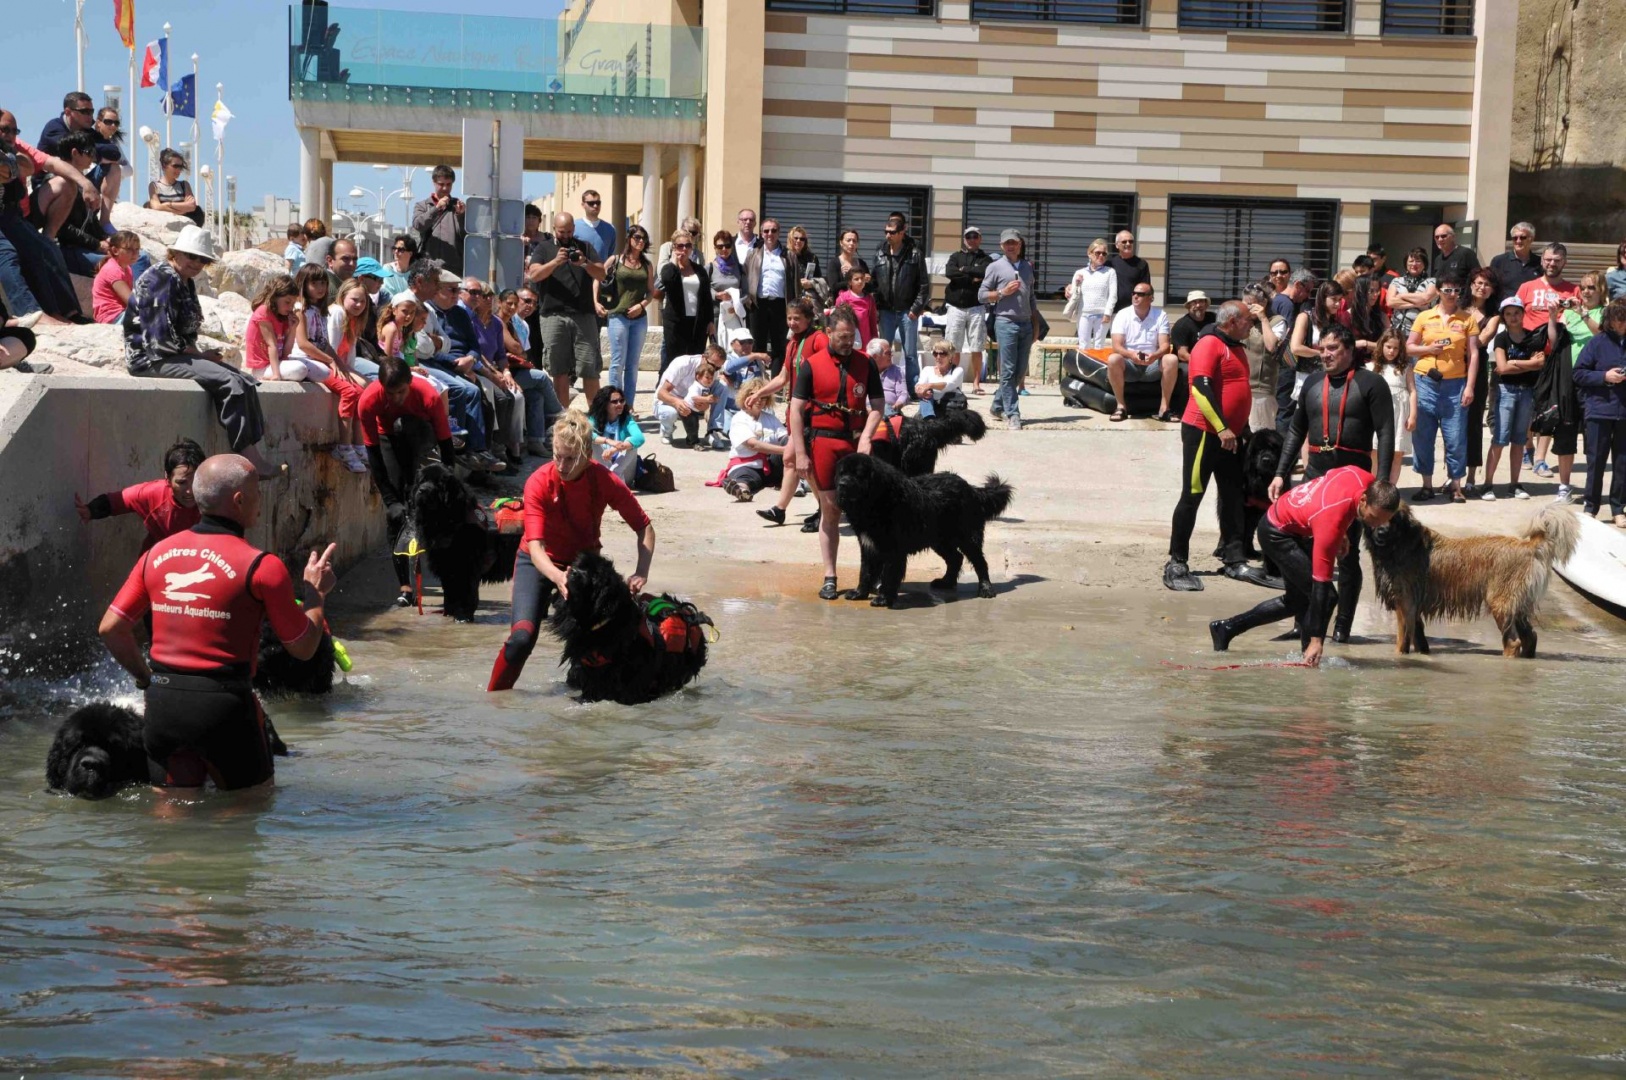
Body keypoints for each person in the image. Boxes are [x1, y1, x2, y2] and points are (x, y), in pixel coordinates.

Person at [98, 454, 338, 790]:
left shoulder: (155, 555)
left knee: (170, 817)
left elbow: (111, 629)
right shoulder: (262, 566)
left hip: (163, 706)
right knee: (247, 814)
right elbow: (303, 648)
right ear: (239, 500)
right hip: (224, 706)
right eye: (257, 490)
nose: (261, 498)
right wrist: (315, 594)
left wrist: (145, 679)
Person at [486, 412, 655, 693]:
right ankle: (495, 702)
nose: (562, 466)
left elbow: (645, 527)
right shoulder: (538, 482)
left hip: (584, 568)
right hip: (538, 562)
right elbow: (537, 548)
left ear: (588, 455)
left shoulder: (604, 480)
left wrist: (642, 571)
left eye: (570, 458)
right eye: (557, 456)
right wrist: (557, 577)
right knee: (521, 640)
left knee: (602, 643)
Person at [124, 226, 280, 479]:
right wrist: (201, 357)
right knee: (230, 383)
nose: (196, 263)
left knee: (246, 380)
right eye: (191, 256)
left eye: (202, 259)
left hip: (173, 355)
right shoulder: (160, 279)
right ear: (175, 253)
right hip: (150, 359)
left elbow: (185, 332)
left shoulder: (183, 281)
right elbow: (160, 338)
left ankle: (255, 451)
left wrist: (200, 354)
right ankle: (248, 458)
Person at [1208, 469, 1400, 666]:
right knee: (1326, 597)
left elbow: (1332, 476)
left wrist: (1341, 529)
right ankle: (1309, 657)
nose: (1377, 526)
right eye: (1374, 518)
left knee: (1296, 601)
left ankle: (1226, 628)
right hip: (1277, 533)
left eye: (1384, 520)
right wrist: (1317, 640)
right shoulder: (1330, 524)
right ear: (1364, 500)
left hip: (1298, 522)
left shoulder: (1364, 479)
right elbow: (1321, 585)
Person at [1276, 324, 1395, 640]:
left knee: (1348, 552)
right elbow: (1295, 431)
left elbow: (1385, 433)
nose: (1325, 354)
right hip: (1316, 477)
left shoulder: (1372, 384)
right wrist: (1280, 472)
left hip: (1354, 481)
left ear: (1350, 350)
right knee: (1306, 548)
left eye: (1332, 349)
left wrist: (1380, 485)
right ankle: (1304, 622)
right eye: (1322, 348)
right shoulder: (1314, 382)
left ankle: (1342, 628)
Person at [1164, 301, 1262, 592]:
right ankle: (1177, 560)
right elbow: (1200, 390)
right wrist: (1221, 427)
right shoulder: (1209, 344)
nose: (1251, 325)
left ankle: (1234, 558)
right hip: (1204, 432)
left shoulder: (1237, 347)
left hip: (1231, 435)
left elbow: (1237, 391)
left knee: (1233, 496)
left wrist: (1241, 428)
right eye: (1248, 320)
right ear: (1231, 321)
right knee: (1192, 493)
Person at [789, 305, 883, 600]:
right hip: (824, 443)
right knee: (830, 509)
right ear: (827, 332)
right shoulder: (811, 365)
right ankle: (830, 575)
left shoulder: (866, 363)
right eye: (842, 336)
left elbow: (878, 405)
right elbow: (794, 411)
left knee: (866, 513)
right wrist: (801, 454)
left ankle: (872, 576)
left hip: (855, 444)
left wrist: (867, 436)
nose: (847, 342)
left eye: (851, 336)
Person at [358, 355, 459, 607]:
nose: (396, 399)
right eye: (390, 394)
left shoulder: (428, 395)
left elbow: (446, 446)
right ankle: (405, 587)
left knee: (404, 425)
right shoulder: (368, 402)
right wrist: (390, 499)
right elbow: (374, 455)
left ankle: (447, 576)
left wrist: (450, 488)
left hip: (421, 434)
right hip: (387, 437)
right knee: (396, 513)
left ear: (410, 382)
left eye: (401, 392)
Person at [1406, 274, 1481, 503]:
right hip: (1425, 381)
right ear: (1437, 291)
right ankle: (1427, 485)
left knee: (1456, 436)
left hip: (1455, 384)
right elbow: (1409, 347)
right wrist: (1428, 348)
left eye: (1456, 290)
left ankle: (1455, 485)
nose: (1452, 295)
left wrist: (1470, 386)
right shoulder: (1424, 316)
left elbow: (1474, 354)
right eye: (1447, 290)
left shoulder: (1467, 319)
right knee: (1423, 436)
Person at [1480, 295, 1557, 501]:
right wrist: (1526, 364)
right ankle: (1488, 483)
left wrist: (1515, 363)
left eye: (1516, 313)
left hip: (1527, 392)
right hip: (1505, 391)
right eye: (1508, 314)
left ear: (1523, 314)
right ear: (1503, 317)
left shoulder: (1533, 336)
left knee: (1519, 440)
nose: (1513, 317)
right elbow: (1502, 368)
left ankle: (1514, 484)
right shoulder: (1501, 338)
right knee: (1500, 439)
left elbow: (1540, 363)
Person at [1518, 242, 1581, 495]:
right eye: (1548, 259)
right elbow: (1514, 317)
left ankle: (1541, 457)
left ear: (1564, 262)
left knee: (1550, 408)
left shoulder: (1572, 289)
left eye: (1557, 260)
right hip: (1531, 355)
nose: (1552, 263)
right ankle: (1527, 448)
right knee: (1527, 407)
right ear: (1541, 261)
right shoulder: (1527, 287)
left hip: (1558, 358)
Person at [526, 212, 606, 409]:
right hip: (553, 315)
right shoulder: (544, 248)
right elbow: (534, 275)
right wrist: (555, 262)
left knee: (589, 367)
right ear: (554, 229)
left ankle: (596, 418)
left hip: (583, 315)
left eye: (569, 231)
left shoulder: (584, 247)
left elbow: (602, 274)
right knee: (558, 369)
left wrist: (585, 263)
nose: (566, 235)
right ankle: (563, 416)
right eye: (562, 232)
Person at [75, 438, 205, 551]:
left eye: (196, 482)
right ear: (168, 478)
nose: (190, 491)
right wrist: (90, 511)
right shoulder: (154, 494)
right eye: (182, 483)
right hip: (154, 562)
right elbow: (118, 500)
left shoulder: (214, 498)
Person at [460, 277, 527, 470]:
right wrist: (494, 373)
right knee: (501, 397)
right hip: (479, 369)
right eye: (482, 295)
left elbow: (501, 354)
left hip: (494, 370)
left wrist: (506, 373)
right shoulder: (470, 320)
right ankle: (496, 447)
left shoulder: (496, 324)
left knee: (518, 396)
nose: (486, 299)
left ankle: (513, 444)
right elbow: (477, 353)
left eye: (490, 295)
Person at [1572, 298, 1626, 526]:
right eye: (1619, 319)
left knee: (1623, 463)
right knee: (1596, 462)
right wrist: (1605, 376)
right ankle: (1591, 507)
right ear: (1610, 320)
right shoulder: (1597, 343)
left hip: (1624, 412)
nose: (1623, 323)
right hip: (1599, 411)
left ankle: (1618, 509)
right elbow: (1578, 374)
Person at [981, 228, 1039, 431]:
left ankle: (997, 406)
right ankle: (1013, 413)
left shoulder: (1027, 267)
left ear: (1019, 244)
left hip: (1026, 323)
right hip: (1005, 322)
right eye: (1006, 243)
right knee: (1007, 371)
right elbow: (981, 295)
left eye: (1013, 242)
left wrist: (1036, 323)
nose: (1010, 246)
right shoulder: (995, 267)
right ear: (1001, 246)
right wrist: (1001, 292)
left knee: (1020, 371)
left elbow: (1031, 297)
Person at [599, 224, 655, 410]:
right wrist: (595, 302)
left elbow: (650, 292)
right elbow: (597, 277)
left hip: (639, 318)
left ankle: (628, 405)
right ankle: (615, 404)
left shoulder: (647, 265)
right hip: (617, 315)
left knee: (632, 364)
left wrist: (641, 306)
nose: (640, 241)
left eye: (643, 238)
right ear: (629, 239)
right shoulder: (616, 260)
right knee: (617, 362)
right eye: (637, 237)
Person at [872, 212, 930, 392]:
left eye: (892, 232)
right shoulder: (880, 252)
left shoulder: (915, 254)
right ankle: (880, 387)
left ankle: (913, 389)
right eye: (886, 232)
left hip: (907, 311)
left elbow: (924, 284)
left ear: (902, 232)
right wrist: (876, 307)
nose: (888, 235)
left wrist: (915, 309)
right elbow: (874, 282)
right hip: (886, 311)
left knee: (910, 353)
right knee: (882, 351)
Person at [1104, 280, 1173, 423]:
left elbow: (1165, 346)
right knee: (1113, 358)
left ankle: (1164, 408)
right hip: (1130, 364)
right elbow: (1116, 346)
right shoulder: (1122, 315)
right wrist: (1131, 355)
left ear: (1151, 298)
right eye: (1134, 293)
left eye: (1140, 294)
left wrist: (1154, 356)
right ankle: (1121, 406)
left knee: (1171, 359)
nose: (1135, 296)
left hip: (1152, 364)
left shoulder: (1160, 315)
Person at [725, 376, 795, 507]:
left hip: (771, 464)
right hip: (747, 464)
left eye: (764, 397)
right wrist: (785, 450)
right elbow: (752, 444)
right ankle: (741, 490)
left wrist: (792, 445)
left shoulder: (770, 418)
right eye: (754, 395)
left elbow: (785, 437)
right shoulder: (739, 418)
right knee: (746, 478)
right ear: (745, 396)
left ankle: (797, 483)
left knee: (789, 442)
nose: (759, 400)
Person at [656, 229, 715, 369]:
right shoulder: (669, 268)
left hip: (697, 322)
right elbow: (667, 281)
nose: (684, 249)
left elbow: (706, 297)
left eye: (687, 245)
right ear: (673, 247)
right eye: (680, 246)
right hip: (676, 323)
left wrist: (711, 321)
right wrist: (675, 262)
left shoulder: (699, 270)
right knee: (674, 362)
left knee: (695, 361)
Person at [743, 217, 796, 371]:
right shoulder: (753, 253)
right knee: (757, 344)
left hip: (780, 304)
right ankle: (757, 381)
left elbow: (794, 283)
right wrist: (747, 299)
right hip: (758, 304)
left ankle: (776, 383)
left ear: (779, 233)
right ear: (761, 233)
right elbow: (745, 278)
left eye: (773, 230)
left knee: (779, 344)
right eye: (766, 231)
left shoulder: (789, 255)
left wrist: (794, 306)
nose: (770, 234)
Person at [944, 226, 993, 393]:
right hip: (955, 307)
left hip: (976, 307)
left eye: (975, 236)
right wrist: (972, 277)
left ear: (980, 238)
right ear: (964, 239)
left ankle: (976, 383)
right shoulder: (955, 256)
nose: (972, 239)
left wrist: (964, 270)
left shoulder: (986, 258)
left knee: (977, 347)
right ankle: (954, 383)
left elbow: (986, 272)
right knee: (953, 347)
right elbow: (949, 272)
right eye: (968, 237)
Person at [656, 344, 730, 448]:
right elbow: (661, 393)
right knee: (670, 413)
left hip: (692, 403)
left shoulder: (713, 371)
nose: (714, 370)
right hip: (669, 401)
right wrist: (677, 402)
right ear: (704, 357)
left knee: (722, 387)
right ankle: (666, 429)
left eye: (718, 368)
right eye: (713, 365)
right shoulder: (683, 363)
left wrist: (705, 406)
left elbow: (706, 395)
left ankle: (713, 431)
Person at [1271, 266, 1315, 434]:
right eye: (1308, 290)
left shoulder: (1278, 301)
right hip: (1286, 364)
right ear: (1297, 285)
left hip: (1280, 365)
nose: (1308, 296)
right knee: (1286, 410)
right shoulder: (1287, 305)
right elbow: (1287, 339)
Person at [1241, 281, 1288, 433]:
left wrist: (1263, 319)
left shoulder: (1277, 321)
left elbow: (1271, 346)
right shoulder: (1243, 320)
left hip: (1261, 390)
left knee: (1260, 435)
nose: (1247, 308)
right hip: (1239, 386)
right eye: (1244, 303)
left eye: (1251, 304)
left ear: (1263, 303)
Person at [1372, 330, 1412, 484]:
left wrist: (1413, 414)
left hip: (1400, 414)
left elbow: (1413, 391)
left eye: (1396, 348)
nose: (1391, 351)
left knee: (1397, 452)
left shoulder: (1405, 368)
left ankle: (1391, 487)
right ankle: (1375, 485)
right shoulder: (1373, 367)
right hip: (1378, 415)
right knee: (1375, 450)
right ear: (1381, 345)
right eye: (1388, 347)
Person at [412, 164, 466, 275]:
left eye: (449, 184)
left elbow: (466, 235)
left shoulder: (458, 206)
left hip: (453, 269)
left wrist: (461, 216)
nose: (445, 188)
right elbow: (418, 225)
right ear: (434, 183)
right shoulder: (422, 206)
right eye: (441, 184)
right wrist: (436, 209)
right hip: (429, 268)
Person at [1065, 237, 1117, 350]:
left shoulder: (1110, 272)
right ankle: (1084, 368)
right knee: (1084, 345)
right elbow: (1074, 295)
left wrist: (1108, 313)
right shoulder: (1080, 273)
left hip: (1102, 314)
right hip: (1083, 313)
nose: (1101, 256)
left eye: (1104, 253)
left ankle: (1097, 368)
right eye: (1098, 253)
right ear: (1089, 254)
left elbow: (1113, 295)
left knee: (1099, 346)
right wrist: (1070, 290)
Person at [587, 384, 644, 485]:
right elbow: (585, 434)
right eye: (614, 402)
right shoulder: (594, 418)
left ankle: (613, 476)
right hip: (603, 464)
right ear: (604, 404)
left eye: (622, 401)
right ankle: (611, 479)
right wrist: (607, 441)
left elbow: (639, 438)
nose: (619, 404)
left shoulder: (627, 418)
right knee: (592, 441)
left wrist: (615, 449)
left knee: (631, 443)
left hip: (623, 470)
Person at [244, 273, 297, 379]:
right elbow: (271, 345)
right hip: (262, 367)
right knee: (300, 370)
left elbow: (286, 353)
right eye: (287, 302)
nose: (291, 307)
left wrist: (293, 329)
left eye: (293, 304)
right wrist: (276, 374)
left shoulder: (283, 315)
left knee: (317, 369)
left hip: (276, 362)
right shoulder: (264, 311)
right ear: (275, 297)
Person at [91, 230, 143, 324]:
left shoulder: (127, 268)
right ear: (115, 250)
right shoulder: (113, 270)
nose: (135, 253)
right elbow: (132, 301)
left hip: (121, 313)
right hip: (111, 318)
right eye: (129, 249)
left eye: (137, 249)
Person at [1386, 247, 1438, 339]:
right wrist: (1418, 303)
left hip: (1421, 332)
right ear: (1406, 264)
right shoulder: (1397, 281)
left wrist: (1401, 296)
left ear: (1424, 264)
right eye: (1411, 261)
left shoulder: (1432, 281)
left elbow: (1425, 298)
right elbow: (1390, 302)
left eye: (1418, 261)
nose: (1414, 264)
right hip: (1397, 331)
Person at [146, 148, 203, 226]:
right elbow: (156, 207)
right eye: (175, 166)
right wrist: (182, 209)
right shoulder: (154, 186)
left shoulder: (184, 185)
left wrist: (167, 205)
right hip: (163, 227)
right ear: (164, 165)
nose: (178, 169)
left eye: (180, 167)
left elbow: (191, 206)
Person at [1491, 221, 1542, 305]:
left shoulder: (1540, 263)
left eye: (1522, 237)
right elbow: (1491, 287)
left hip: (1531, 312)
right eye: (1515, 238)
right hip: (1505, 312)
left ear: (1531, 239)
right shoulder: (1499, 261)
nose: (1518, 241)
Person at [916, 341, 966, 417]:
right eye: (935, 354)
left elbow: (948, 385)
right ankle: (929, 417)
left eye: (942, 354)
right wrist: (920, 390)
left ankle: (928, 418)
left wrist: (930, 385)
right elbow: (919, 384)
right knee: (926, 394)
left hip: (949, 406)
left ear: (950, 356)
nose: (938, 357)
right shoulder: (927, 370)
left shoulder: (958, 370)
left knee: (928, 389)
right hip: (931, 405)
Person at [1107, 231, 1150, 315]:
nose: (1128, 243)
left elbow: (1146, 288)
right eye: (1124, 241)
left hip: (1133, 311)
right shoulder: (1110, 264)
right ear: (1116, 245)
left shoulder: (1141, 264)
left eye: (1131, 241)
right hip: (1113, 311)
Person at [1169, 290, 1215, 364]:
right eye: (1194, 302)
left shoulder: (1213, 319)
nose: (1198, 305)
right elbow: (1183, 355)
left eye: (1201, 301)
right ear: (1188, 306)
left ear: (1206, 304)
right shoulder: (1181, 325)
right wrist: (1203, 363)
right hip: (1188, 363)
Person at [835, 266, 877, 345]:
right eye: (856, 279)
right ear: (850, 282)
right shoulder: (842, 298)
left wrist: (874, 339)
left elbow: (873, 322)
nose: (860, 281)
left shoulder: (869, 299)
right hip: (848, 340)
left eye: (862, 278)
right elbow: (836, 321)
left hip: (865, 339)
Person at [825, 228, 870, 300]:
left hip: (860, 305)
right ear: (841, 243)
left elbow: (870, 287)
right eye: (848, 240)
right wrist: (852, 276)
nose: (851, 243)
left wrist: (866, 279)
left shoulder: (861, 264)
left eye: (854, 241)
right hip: (842, 306)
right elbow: (834, 287)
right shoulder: (834, 263)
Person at [573, 189, 616, 264]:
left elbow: (610, 255)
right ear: (583, 205)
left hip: (601, 274)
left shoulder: (610, 229)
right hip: (579, 273)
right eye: (591, 203)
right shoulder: (574, 227)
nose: (595, 206)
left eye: (598, 203)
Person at [786, 225, 825, 307]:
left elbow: (819, 278)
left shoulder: (812, 258)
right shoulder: (784, 256)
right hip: (789, 298)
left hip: (807, 300)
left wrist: (810, 283)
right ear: (790, 239)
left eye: (802, 239)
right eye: (795, 238)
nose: (798, 241)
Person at [869, 337, 908, 417]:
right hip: (869, 408)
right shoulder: (865, 370)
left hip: (890, 409)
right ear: (876, 356)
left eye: (891, 352)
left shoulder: (897, 371)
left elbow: (903, 394)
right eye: (888, 353)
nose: (891, 355)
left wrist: (896, 405)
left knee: (886, 408)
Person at [379, 233, 416, 300]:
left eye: (401, 250)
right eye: (394, 248)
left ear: (410, 253)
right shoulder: (388, 269)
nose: (396, 252)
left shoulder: (415, 273)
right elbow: (389, 294)